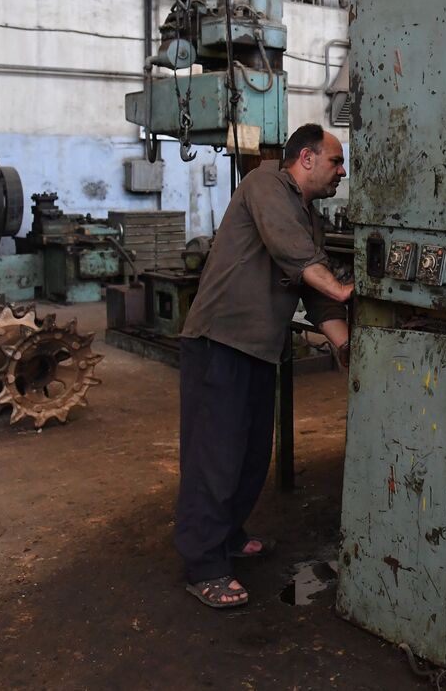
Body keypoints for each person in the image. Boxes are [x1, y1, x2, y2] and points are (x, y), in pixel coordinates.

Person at [175, 124, 353, 607]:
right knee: (214, 456)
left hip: (260, 348)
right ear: (307, 159)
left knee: (252, 454)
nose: (343, 171)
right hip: (219, 342)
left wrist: (343, 343)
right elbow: (292, 255)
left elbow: (314, 292)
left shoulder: (310, 219)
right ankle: (204, 565)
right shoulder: (264, 184)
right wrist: (341, 288)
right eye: (336, 161)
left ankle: (228, 535)